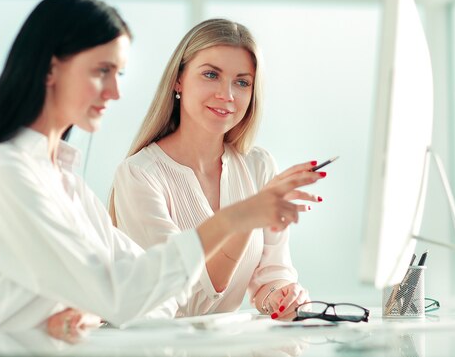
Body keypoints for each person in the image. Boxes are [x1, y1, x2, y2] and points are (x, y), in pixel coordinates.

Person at [0, 0, 325, 337]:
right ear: (51, 68)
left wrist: (89, 309)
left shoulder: (62, 179)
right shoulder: (6, 174)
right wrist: (236, 219)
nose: (116, 91)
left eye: (118, 73)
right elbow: (124, 292)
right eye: (102, 71)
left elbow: (151, 291)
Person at [110, 19, 324, 320]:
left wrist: (284, 296)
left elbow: (271, 276)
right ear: (178, 80)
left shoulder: (258, 166)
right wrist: (245, 218)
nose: (227, 95)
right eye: (211, 75)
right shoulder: (140, 174)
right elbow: (188, 304)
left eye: (242, 82)